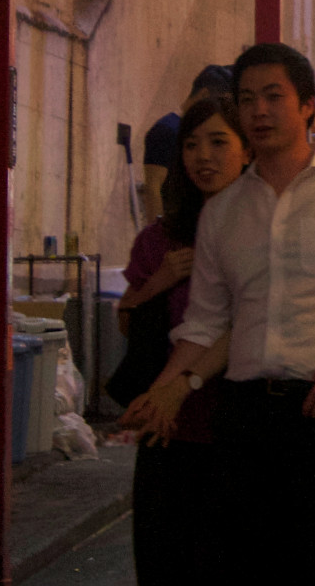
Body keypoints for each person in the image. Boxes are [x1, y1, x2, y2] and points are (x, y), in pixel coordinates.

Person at [159, 42, 315, 586]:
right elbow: (205, 320)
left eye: (274, 97)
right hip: (244, 409)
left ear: (307, 106)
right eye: (247, 99)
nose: (259, 111)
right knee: (242, 566)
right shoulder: (223, 211)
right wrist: (165, 388)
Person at [116, 97, 249, 585]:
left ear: (246, 151)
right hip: (166, 432)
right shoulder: (160, 239)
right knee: (162, 566)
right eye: (191, 145)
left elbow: (257, 322)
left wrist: (181, 384)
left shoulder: (263, 230)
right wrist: (159, 283)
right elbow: (128, 320)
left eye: (219, 142)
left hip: (238, 432)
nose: (203, 156)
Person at [139, 64, 233, 222]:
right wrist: (159, 238)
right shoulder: (167, 130)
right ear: (204, 95)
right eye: (220, 102)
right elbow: (153, 188)